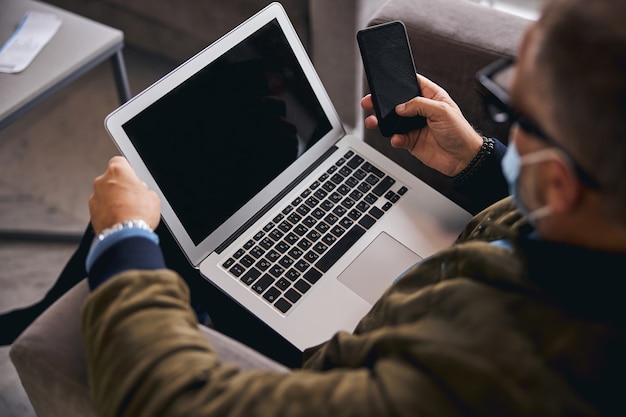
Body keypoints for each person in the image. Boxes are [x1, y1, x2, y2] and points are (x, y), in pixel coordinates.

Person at [15, 0, 626, 415]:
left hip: (334, 350)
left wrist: (123, 237)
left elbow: (175, 400)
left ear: (561, 183)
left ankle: (33, 318)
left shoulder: (481, 376)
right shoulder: (592, 231)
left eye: (512, 114)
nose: (503, 126)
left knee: (158, 224)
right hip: (439, 268)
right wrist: (482, 160)